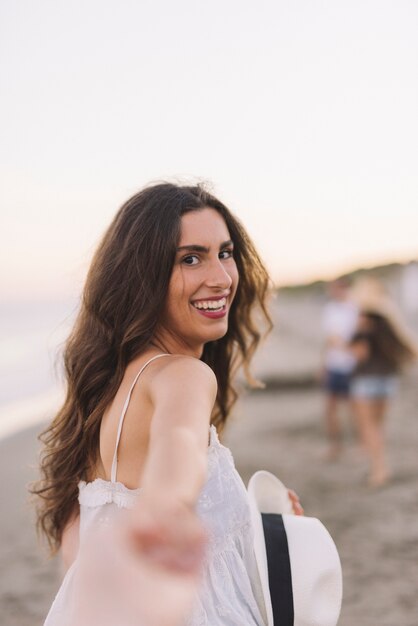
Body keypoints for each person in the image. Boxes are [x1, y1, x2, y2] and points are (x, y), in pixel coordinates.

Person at [32, 182, 303, 626]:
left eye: (226, 252)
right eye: (190, 258)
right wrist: (168, 509)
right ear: (142, 274)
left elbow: (78, 553)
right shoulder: (185, 375)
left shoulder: (109, 395)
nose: (220, 277)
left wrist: (263, 528)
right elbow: (178, 443)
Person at [349, 282, 417, 487]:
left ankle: (379, 469)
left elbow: (360, 354)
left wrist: (345, 346)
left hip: (366, 382)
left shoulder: (364, 324)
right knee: (378, 426)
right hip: (387, 381)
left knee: (369, 427)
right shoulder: (388, 324)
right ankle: (380, 464)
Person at [320, 278, 358, 459]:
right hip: (334, 364)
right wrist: (323, 365)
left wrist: (344, 345)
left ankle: (362, 444)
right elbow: (328, 340)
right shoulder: (330, 309)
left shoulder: (355, 309)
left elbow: (359, 338)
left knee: (355, 408)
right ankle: (336, 445)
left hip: (352, 366)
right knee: (330, 408)